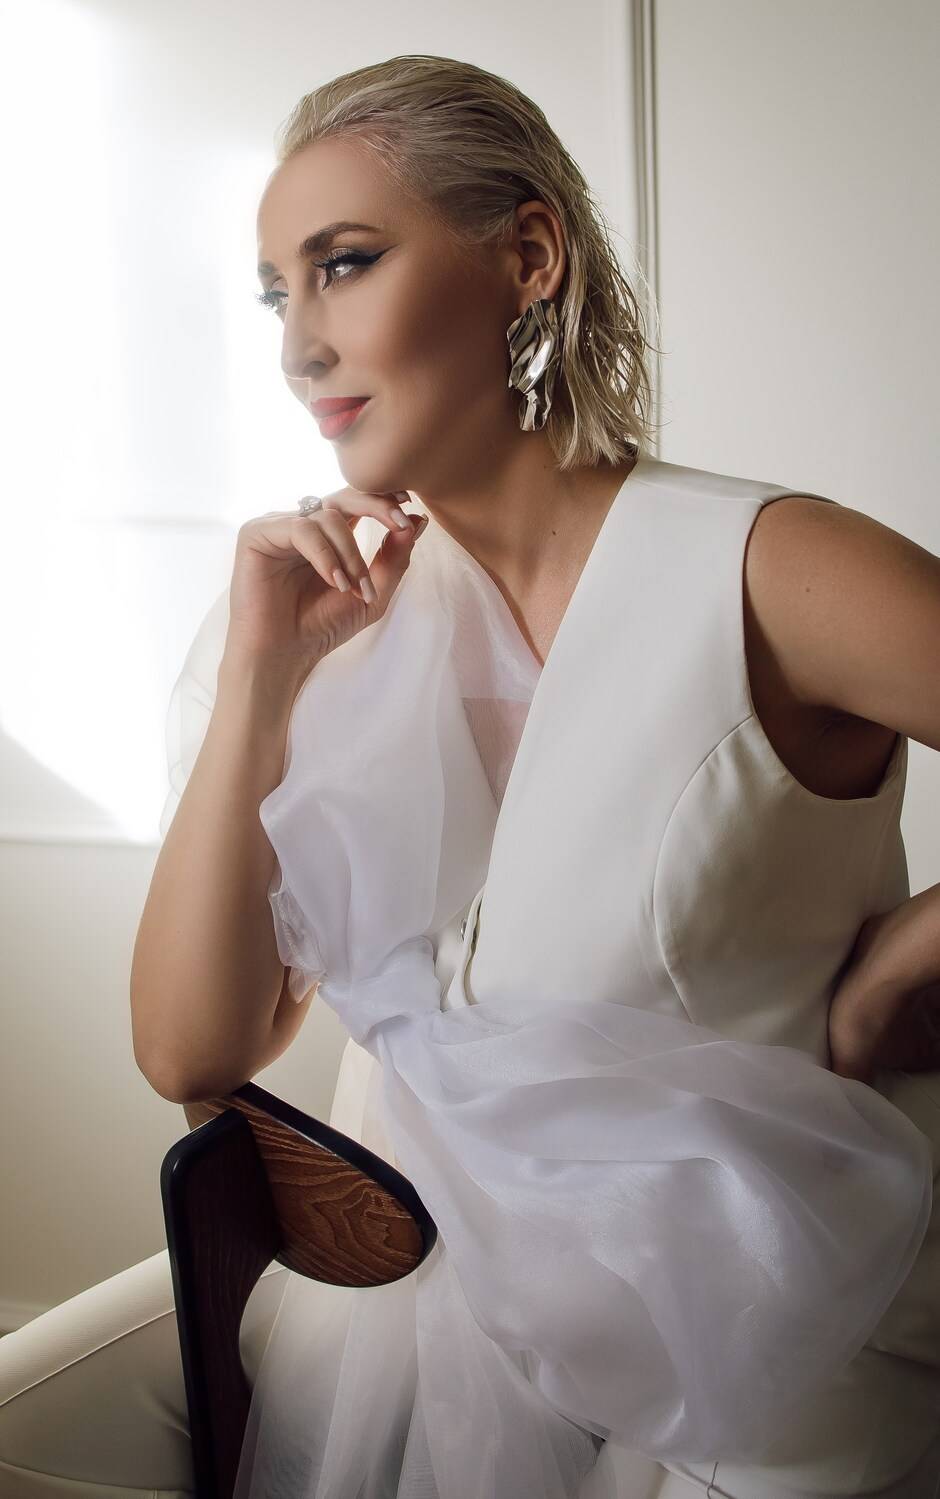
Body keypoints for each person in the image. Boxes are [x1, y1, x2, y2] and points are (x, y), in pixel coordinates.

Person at [3, 51, 940, 1499]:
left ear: (528, 258)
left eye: (345, 264)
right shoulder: (326, 620)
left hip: (761, 1361)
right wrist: (262, 678)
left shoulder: (771, 568)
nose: (299, 346)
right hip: (399, 1318)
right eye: (276, 294)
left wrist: (901, 974)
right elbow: (191, 1052)